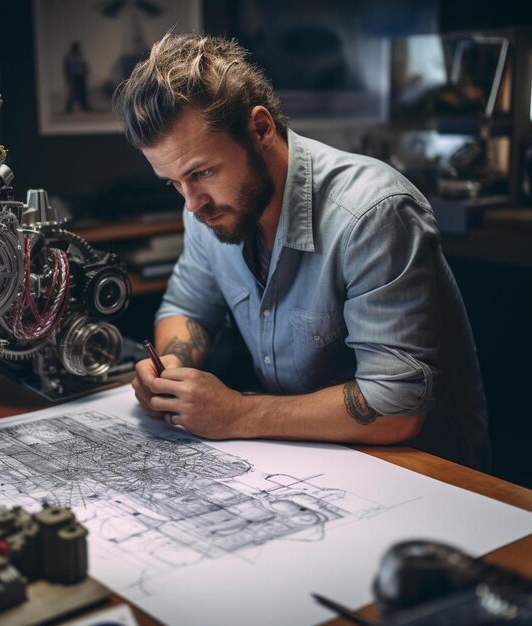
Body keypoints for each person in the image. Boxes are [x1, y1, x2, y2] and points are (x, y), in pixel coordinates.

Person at [115, 34, 490, 471]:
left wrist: (235, 413)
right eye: (173, 182)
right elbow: (188, 306)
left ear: (260, 130)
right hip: (303, 458)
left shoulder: (372, 214)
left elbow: (397, 405)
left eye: (202, 172)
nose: (191, 202)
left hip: (426, 474)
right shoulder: (208, 208)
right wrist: (171, 374)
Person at [63, 41, 91, 113]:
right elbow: (67, 68)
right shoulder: (69, 57)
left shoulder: (80, 56)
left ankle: (85, 106)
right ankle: (69, 108)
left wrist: (86, 71)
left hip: (81, 76)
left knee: (83, 92)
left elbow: (84, 66)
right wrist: (68, 78)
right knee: (73, 92)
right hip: (74, 77)